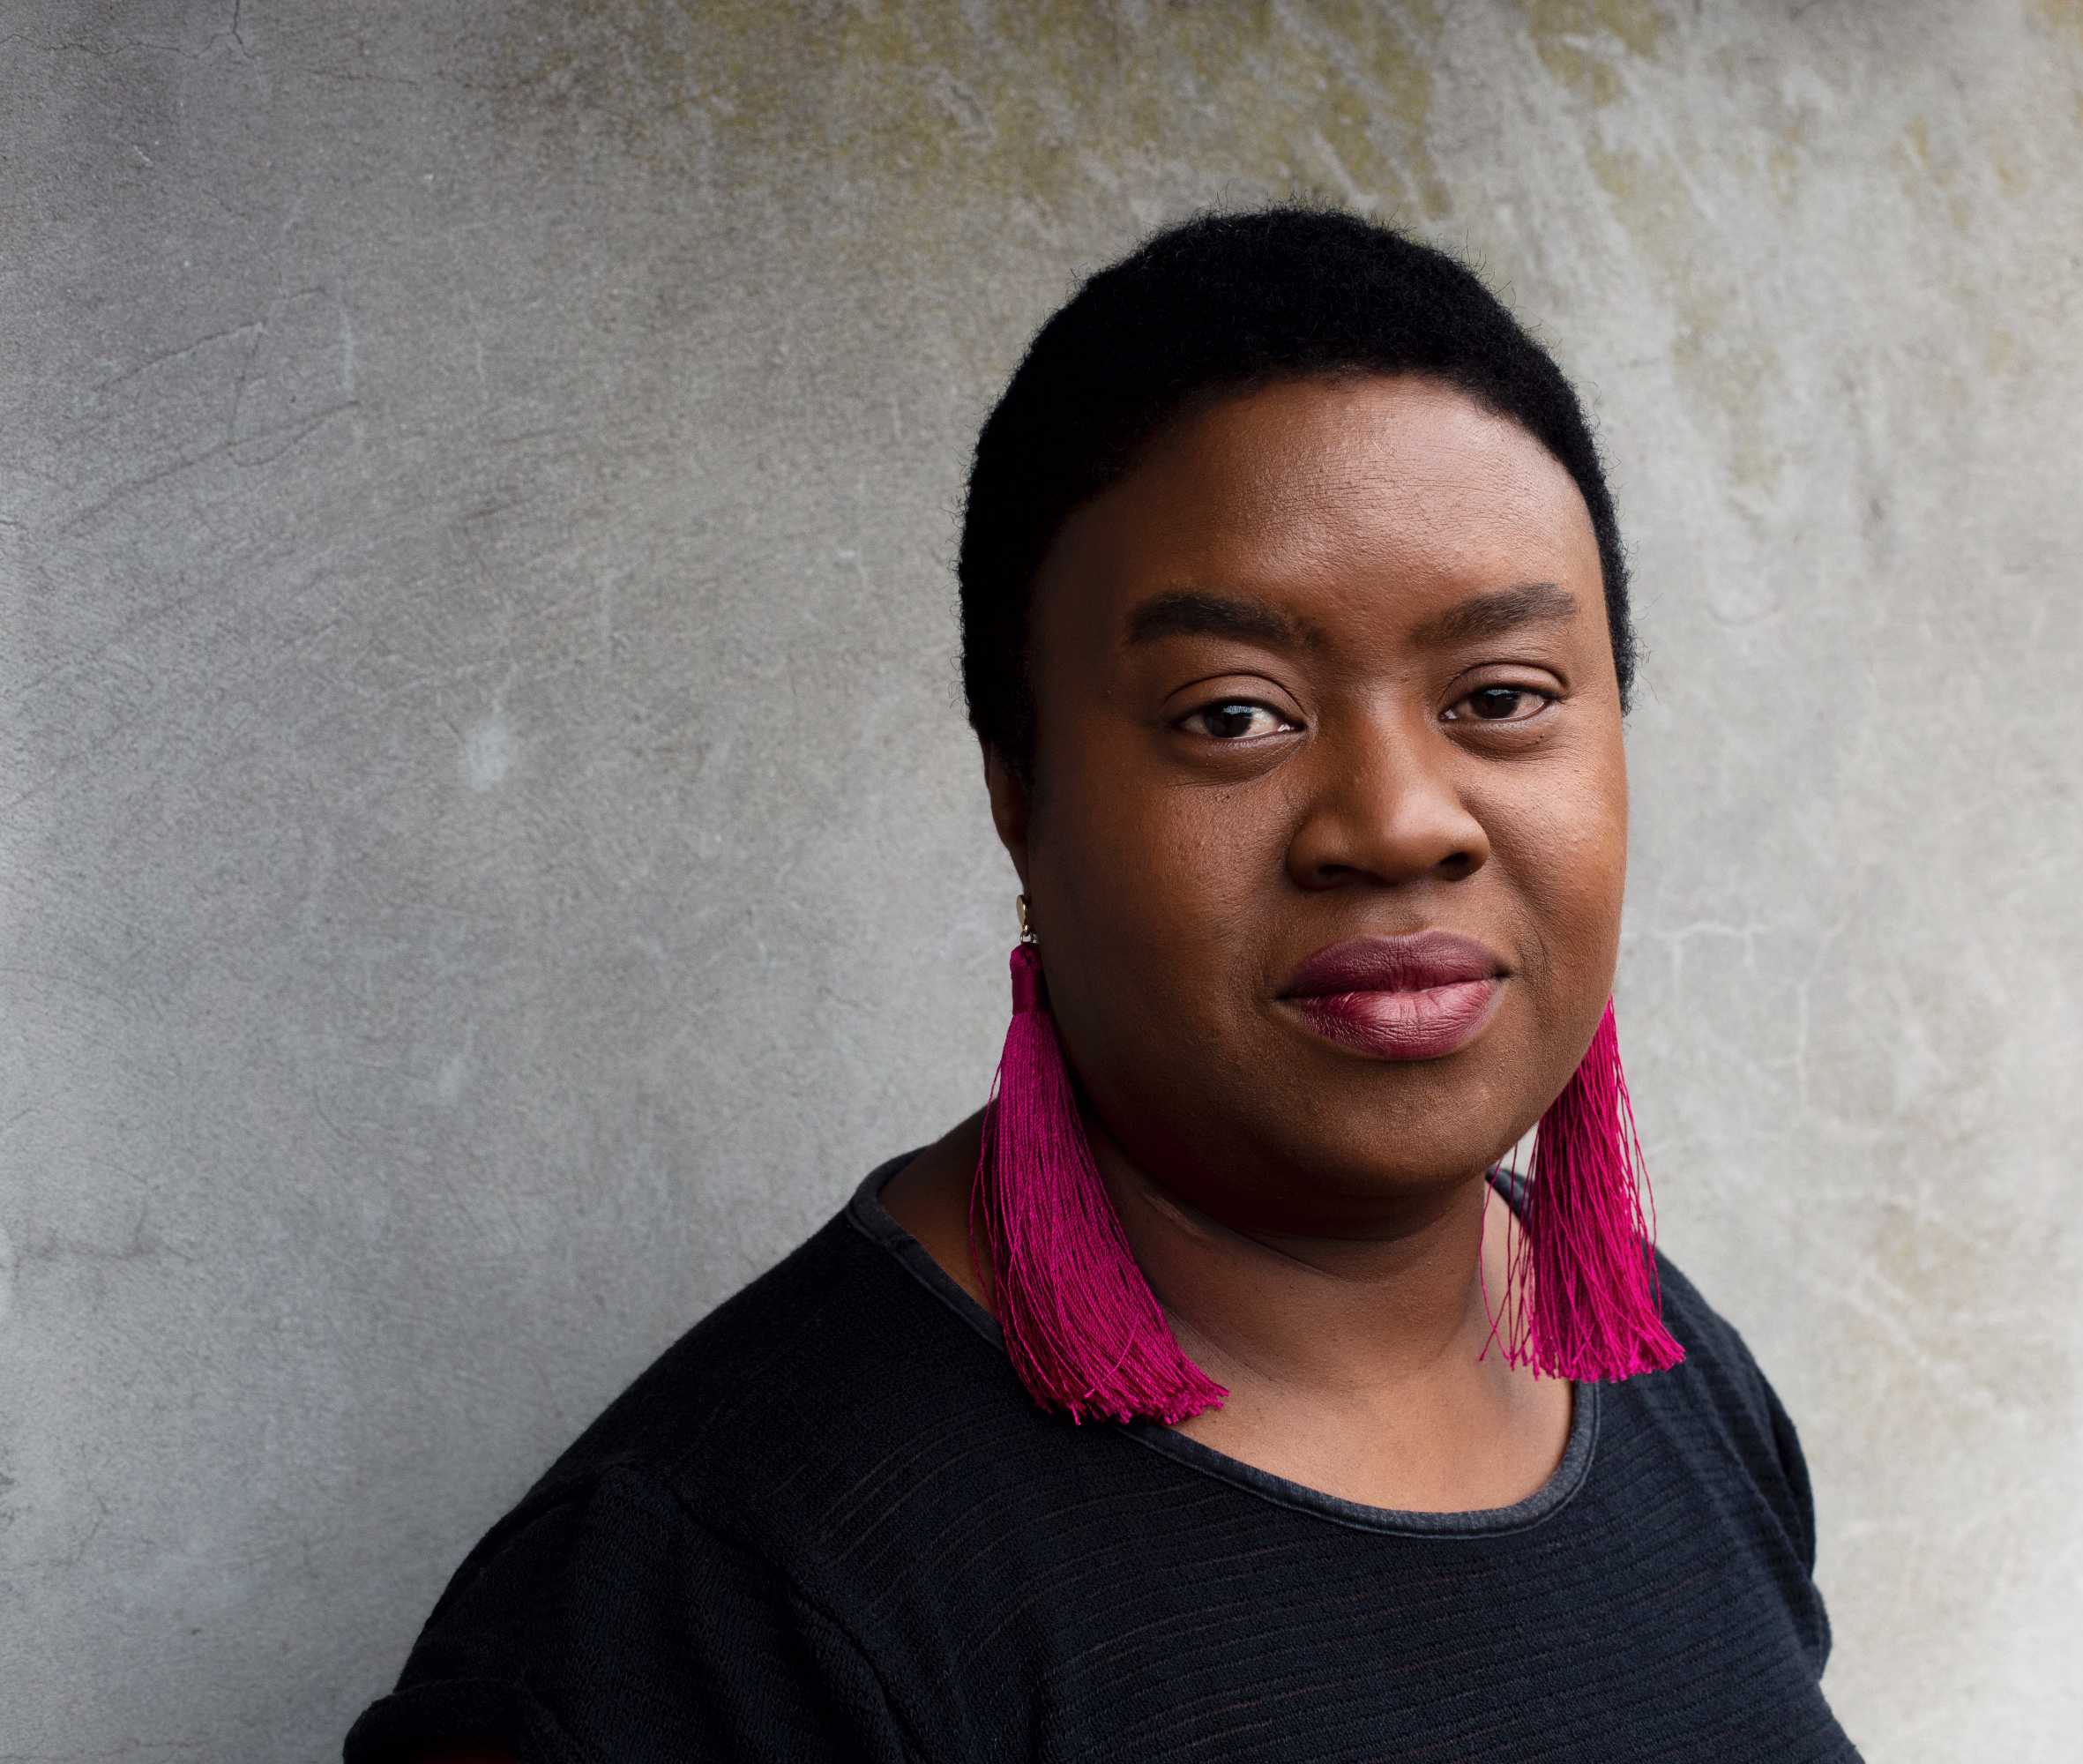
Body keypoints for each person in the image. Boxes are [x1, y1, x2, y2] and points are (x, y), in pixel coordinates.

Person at [345, 205, 1859, 1763]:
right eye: (1232, 716)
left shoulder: (1680, 1390)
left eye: (1503, 696)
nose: (1402, 818)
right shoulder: (718, 1604)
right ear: (1020, 783)